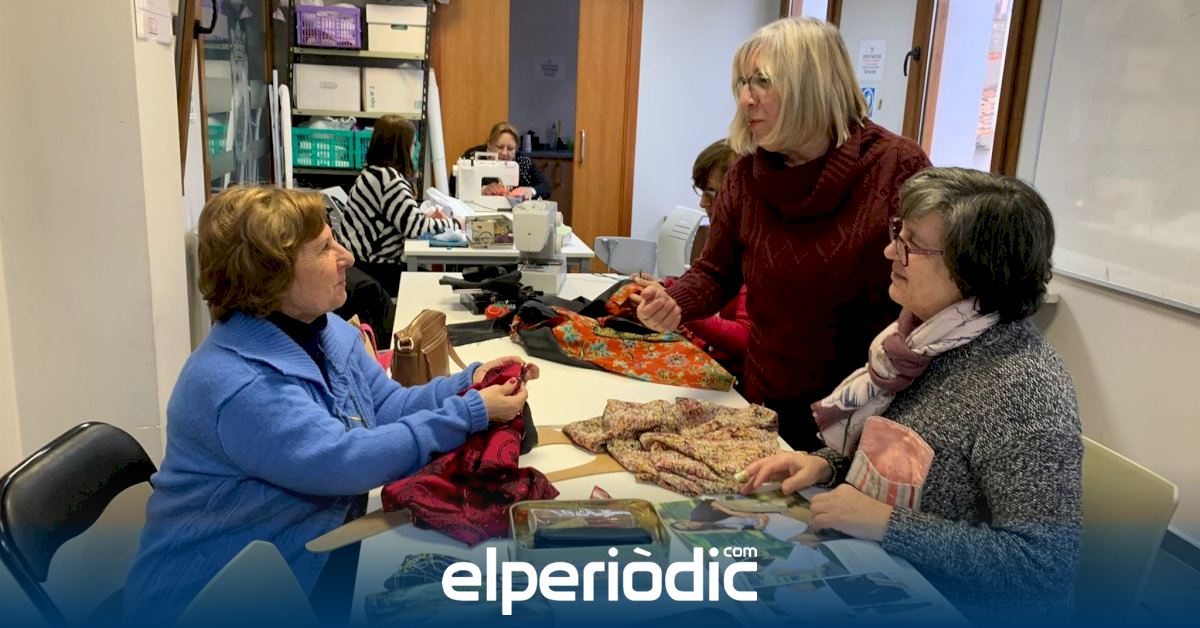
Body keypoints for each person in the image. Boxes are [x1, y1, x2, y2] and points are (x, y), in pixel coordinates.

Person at [123, 186, 538, 624]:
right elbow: (345, 461)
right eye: (324, 248)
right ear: (271, 274)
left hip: (297, 559)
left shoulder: (326, 332)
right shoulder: (238, 384)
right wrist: (470, 412)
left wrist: (467, 384)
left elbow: (387, 405)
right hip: (212, 597)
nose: (347, 257)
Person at [740, 168, 1082, 622]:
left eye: (912, 244)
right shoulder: (919, 342)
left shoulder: (1022, 391)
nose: (890, 251)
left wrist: (887, 524)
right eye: (898, 233)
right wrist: (828, 465)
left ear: (975, 268)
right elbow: (909, 458)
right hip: (883, 570)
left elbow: (1042, 570)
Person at [632, 18, 931, 450]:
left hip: (866, 412)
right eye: (742, 83)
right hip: (768, 403)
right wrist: (673, 302)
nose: (745, 98)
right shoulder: (745, 176)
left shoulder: (897, 167)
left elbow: (931, 293)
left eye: (762, 81)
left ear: (811, 84)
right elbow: (716, 272)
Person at [336, 115, 455, 297]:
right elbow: (415, 228)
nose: (415, 149)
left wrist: (424, 219)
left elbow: (403, 218)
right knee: (443, 287)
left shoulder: (372, 173)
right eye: (413, 144)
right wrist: (456, 223)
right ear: (403, 147)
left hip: (360, 266)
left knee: (438, 281)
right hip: (375, 270)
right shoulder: (390, 181)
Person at [457, 121, 551, 201]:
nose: (505, 153)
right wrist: (482, 190)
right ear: (489, 145)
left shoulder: (524, 162)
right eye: (500, 147)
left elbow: (546, 187)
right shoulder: (472, 156)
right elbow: (455, 188)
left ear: (516, 149)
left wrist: (530, 191)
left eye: (510, 148)